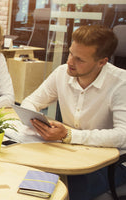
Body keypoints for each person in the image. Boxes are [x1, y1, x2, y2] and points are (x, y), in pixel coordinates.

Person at [21, 25, 126, 200]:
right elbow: (30, 102)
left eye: (79, 59)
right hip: (70, 155)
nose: (70, 61)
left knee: (61, 191)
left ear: (102, 62)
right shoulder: (62, 73)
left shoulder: (120, 84)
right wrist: (39, 124)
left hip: (109, 164)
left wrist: (70, 135)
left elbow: (123, 135)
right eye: (70, 53)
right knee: (28, 181)